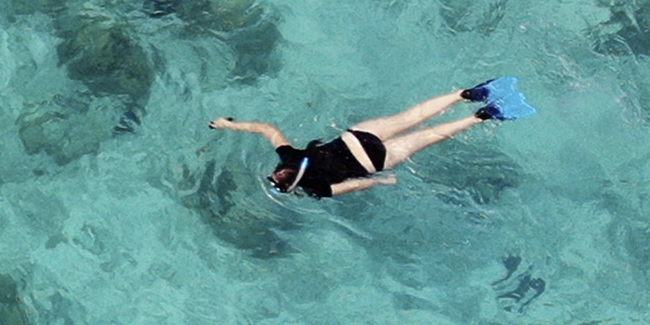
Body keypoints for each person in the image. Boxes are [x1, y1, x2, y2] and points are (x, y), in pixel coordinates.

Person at [211, 79, 532, 198]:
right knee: (414, 116)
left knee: (431, 134)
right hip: (358, 137)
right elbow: (268, 129)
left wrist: (381, 182)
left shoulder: (317, 189)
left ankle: (484, 116)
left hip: (374, 161)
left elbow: (356, 184)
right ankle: (469, 93)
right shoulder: (289, 156)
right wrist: (229, 125)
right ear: (282, 172)